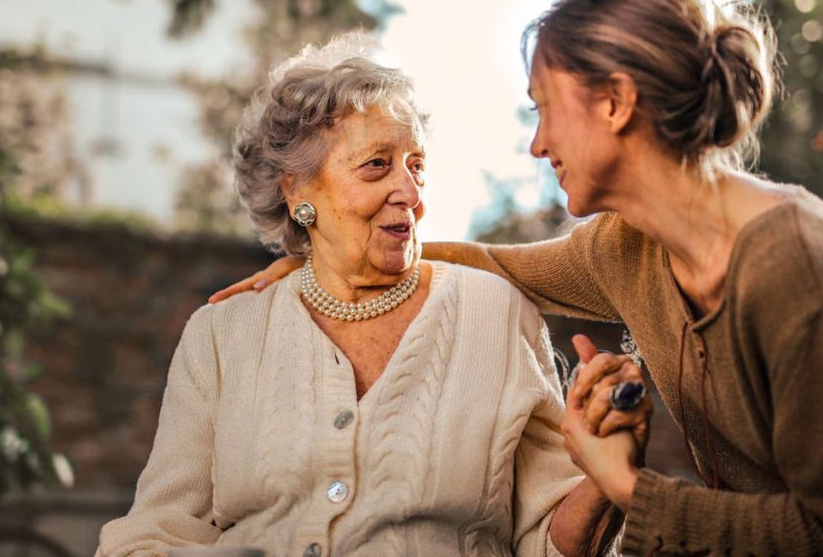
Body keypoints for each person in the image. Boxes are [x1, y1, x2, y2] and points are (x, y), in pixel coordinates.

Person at [210, 0, 823, 555]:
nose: (537, 144)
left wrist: (626, 485)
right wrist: (328, 259)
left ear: (616, 103)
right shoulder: (629, 247)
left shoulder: (798, 275)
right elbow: (496, 265)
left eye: (544, 107)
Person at [97, 33, 651, 557]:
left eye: (417, 167)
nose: (409, 193)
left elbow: (548, 542)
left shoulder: (496, 314)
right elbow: (154, 532)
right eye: (377, 166)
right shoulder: (222, 334)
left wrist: (605, 480)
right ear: (297, 190)